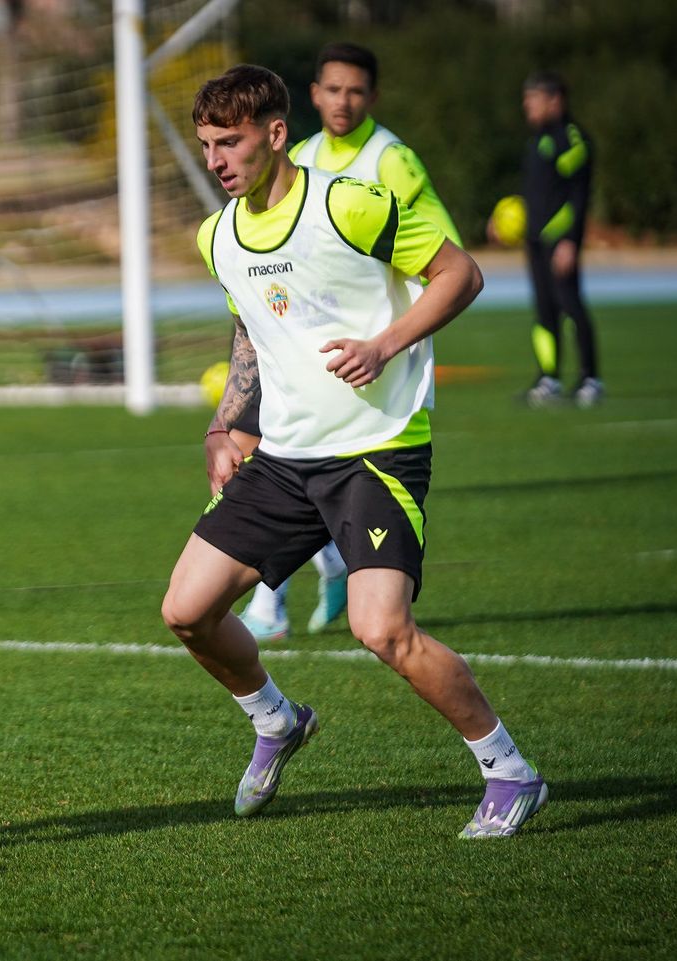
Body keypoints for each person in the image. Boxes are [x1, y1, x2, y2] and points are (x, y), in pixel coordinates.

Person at [164, 65, 546, 838]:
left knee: (382, 630)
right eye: (206, 145)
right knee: (187, 610)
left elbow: (460, 273)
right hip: (285, 458)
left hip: (376, 451)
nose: (216, 161)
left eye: (230, 142)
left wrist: (384, 344)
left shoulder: (348, 204)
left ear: (276, 134)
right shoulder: (217, 236)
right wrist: (225, 425)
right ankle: (276, 719)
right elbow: (252, 333)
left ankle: (510, 771)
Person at [236, 41, 467, 642]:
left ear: (373, 96)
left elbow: (445, 258)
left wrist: (382, 334)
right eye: (333, 89)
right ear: (314, 95)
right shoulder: (299, 157)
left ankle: (317, 582)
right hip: (303, 353)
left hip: (373, 367)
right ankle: (285, 597)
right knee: (271, 459)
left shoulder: (392, 162)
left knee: (300, 466)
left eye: (356, 91)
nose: (343, 101)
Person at [508, 70, 600, 408]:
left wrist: (569, 241)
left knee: (571, 307)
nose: (527, 106)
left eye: (533, 98)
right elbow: (536, 194)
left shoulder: (572, 140)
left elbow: (578, 196)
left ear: (555, 100)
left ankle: (591, 378)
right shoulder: (535, 142)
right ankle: (549, 378)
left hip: (559, 242)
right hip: (534, 243)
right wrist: (506, 221)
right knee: (544, 312)